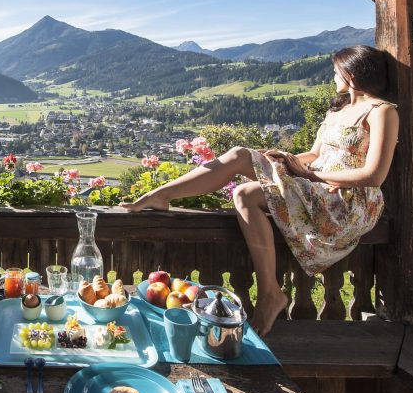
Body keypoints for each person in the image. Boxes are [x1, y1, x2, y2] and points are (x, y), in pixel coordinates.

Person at [120, 45, 398, 336]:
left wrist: (313, 176)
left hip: (347, 201)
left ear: (351, 73)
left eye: (335, 70)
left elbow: (375, 175)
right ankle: (162, 195)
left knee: (243, 184)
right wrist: (285, 159)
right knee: (242, 167)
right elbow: (314, 155)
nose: (333, 76)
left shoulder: (383, 112)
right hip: (316, 184)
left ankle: (269, 294)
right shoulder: (339, 110)